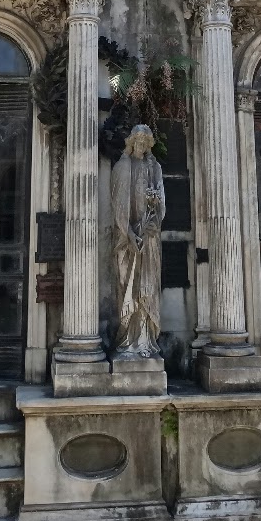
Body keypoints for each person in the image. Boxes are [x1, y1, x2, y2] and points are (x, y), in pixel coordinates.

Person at [110, 125, 166, 358]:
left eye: (146, 141)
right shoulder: (123, 167)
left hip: (149, 239)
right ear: (131, 142)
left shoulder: (154, 168)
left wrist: (154, 221)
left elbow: (160, 201)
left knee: (148, 288)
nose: (141, 145)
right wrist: (130, 234)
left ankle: (145, 341)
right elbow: (118, 206)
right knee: (128, 287)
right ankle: (128, 339)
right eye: (138, 141)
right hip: (127, 241)